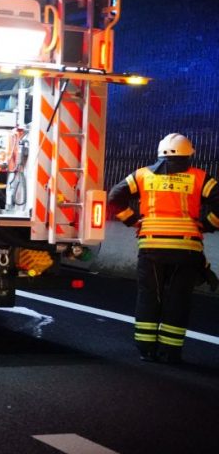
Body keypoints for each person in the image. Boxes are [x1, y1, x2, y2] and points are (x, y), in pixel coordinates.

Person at [108, 133, 219, 364]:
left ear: (160, 153)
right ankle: (170, 352)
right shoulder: (199, 177)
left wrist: (133, 220)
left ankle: (146, 349)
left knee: (149, 296)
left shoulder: (142, 175)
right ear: (189, 154)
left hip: (151, 247)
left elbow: (114, 197)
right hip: (186, 250)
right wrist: (207, 224)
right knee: (178, 299)